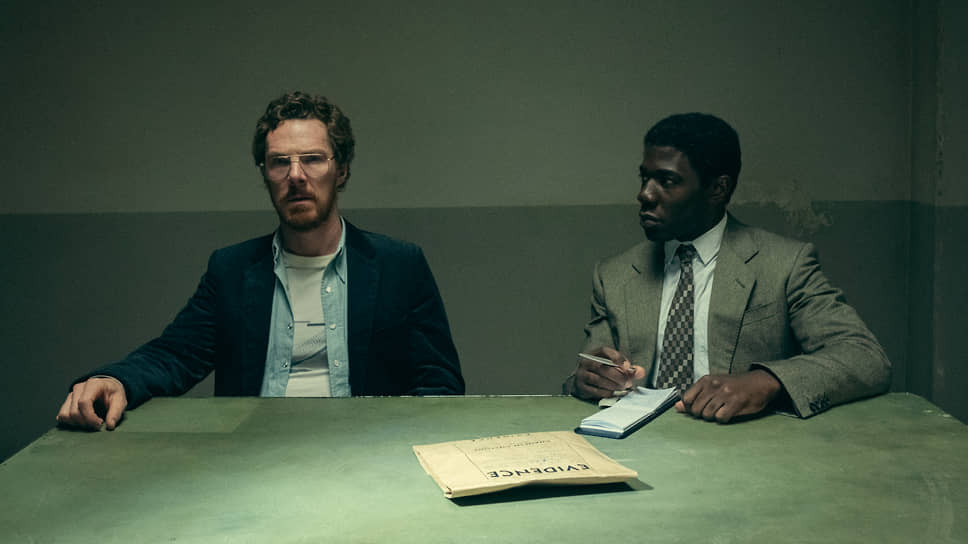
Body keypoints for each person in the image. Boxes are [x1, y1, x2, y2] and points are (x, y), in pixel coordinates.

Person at [57, 91, 464, 430]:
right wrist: (114, 379)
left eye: (313, 159)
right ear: (265, 174)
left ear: (341, 170)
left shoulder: (398, 265)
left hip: (363, 457)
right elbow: (175, 354)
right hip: (252, 461)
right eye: (280, 162)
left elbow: (439, 384)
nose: (296, 176)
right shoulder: (232, 270)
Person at [564, 113, 890, 422]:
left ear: (717, 189)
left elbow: (865, 357)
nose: (645, 194)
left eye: (667, 181)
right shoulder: (615, 275)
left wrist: (766, 381)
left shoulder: (785, 265)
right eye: (644, 177)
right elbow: (589, 374)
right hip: (638, 445)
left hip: (743, 445)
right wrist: (588, 380)